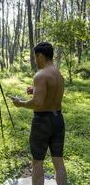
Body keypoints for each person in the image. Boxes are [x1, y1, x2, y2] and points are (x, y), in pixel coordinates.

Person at [11, 42, 67, 185]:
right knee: (58, 162)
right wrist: (35, 91)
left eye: (35, 57)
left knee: (37, 163)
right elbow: (50, 94)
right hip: (58, 120)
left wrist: (21, 103)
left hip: (42, 122)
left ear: (41, 56)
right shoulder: (58, 74)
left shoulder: (40, 75)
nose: (35, 60)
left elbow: (38, 103)